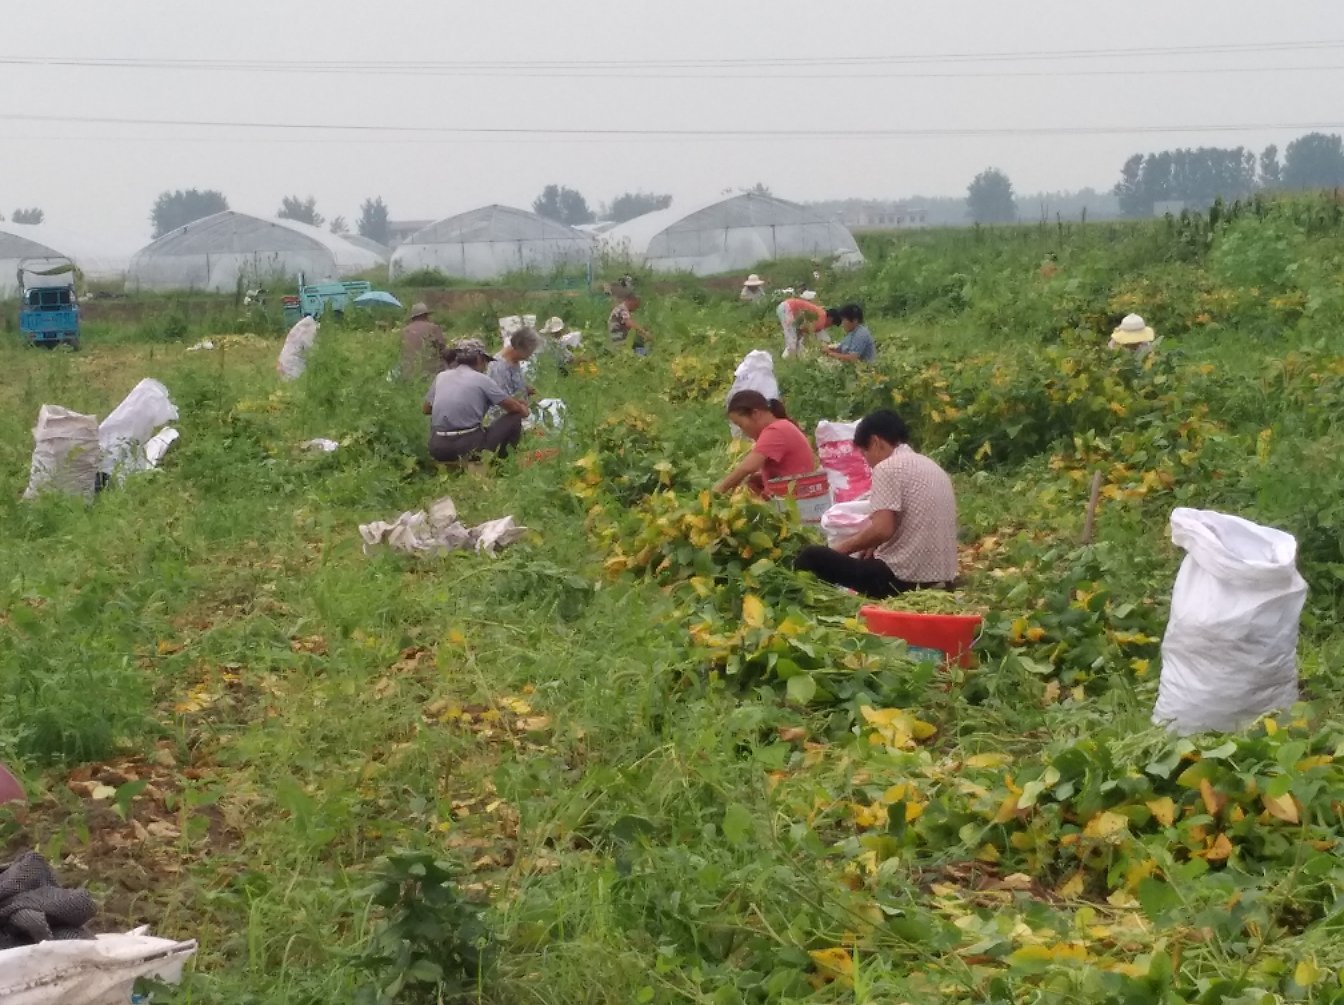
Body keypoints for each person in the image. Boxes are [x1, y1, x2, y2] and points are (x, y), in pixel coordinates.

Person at [795, 410, 957, 598]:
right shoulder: (932, 466)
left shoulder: (887, 467)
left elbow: (882, 530)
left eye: (865, 453)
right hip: (942, 577)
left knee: (811, 557)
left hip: (904, 579)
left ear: (875, 442)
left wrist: (839, 550)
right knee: (868, 553)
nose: (868, 462)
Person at [422, 338, 530, 463]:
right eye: (485, 361)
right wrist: (523, 408)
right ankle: (502, 462)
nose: (485, 366)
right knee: (515, 417)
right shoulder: (482, 379)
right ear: (479, 359)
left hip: (438, 448)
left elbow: (426, 409)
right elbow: (515, 409)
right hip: (468, 446)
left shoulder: (441, 376)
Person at [715, 391, 817, 495]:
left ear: (755, 414)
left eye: (740, 425)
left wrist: (719, 491)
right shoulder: (783, 426)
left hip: (794, 499)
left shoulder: (775, 431)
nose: (743, 431)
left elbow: (748, 467)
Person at [487, 324, 540, 409]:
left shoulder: (514, 361)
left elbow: (514, 388)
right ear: (519, 348)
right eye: (529, 352)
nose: (529, 356)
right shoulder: (499, 368)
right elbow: (503, 402)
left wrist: (525, 390)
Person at [776, 294, 836, 358]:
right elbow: (810, 331)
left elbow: (804, 327)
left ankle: (791, 359)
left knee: (795, 340)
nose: (828, 326)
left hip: (786, 307)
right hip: (788, 309)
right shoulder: (822, 319)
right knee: (792, 341)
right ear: (831, 319)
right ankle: (788, 361)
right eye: (831, 324)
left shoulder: (820, 312)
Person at [400, 303, 449, 380]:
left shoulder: (404, 330)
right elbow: (442, 347)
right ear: (425, 315)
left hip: (408, 371)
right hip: (430, 371)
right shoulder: (433, 328)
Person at [609, 291, 653, 356]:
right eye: (636, 305)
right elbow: (629, 323)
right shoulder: (623, 309)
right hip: (619, 339)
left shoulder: (622, 309)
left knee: (639, 341)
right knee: (643, 352)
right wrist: (644, 333)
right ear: (630, 301)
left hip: (620, 338)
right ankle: (643, 354)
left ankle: (643, 353)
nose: (636, 308)